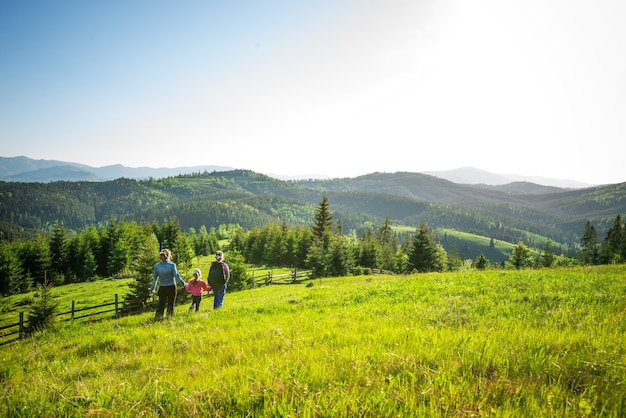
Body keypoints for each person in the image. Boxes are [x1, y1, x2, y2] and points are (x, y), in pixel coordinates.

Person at [148, 249, 186, 320]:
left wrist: (152, 288)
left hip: (162, 287)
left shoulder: (157, 266)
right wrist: (183, 284)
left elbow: (155, 279)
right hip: (171, 287)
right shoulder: (172, 265)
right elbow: (177, 276)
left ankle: (158, 317)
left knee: (161, 304)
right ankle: (169, 317)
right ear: (169, 256)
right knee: (170, 304)